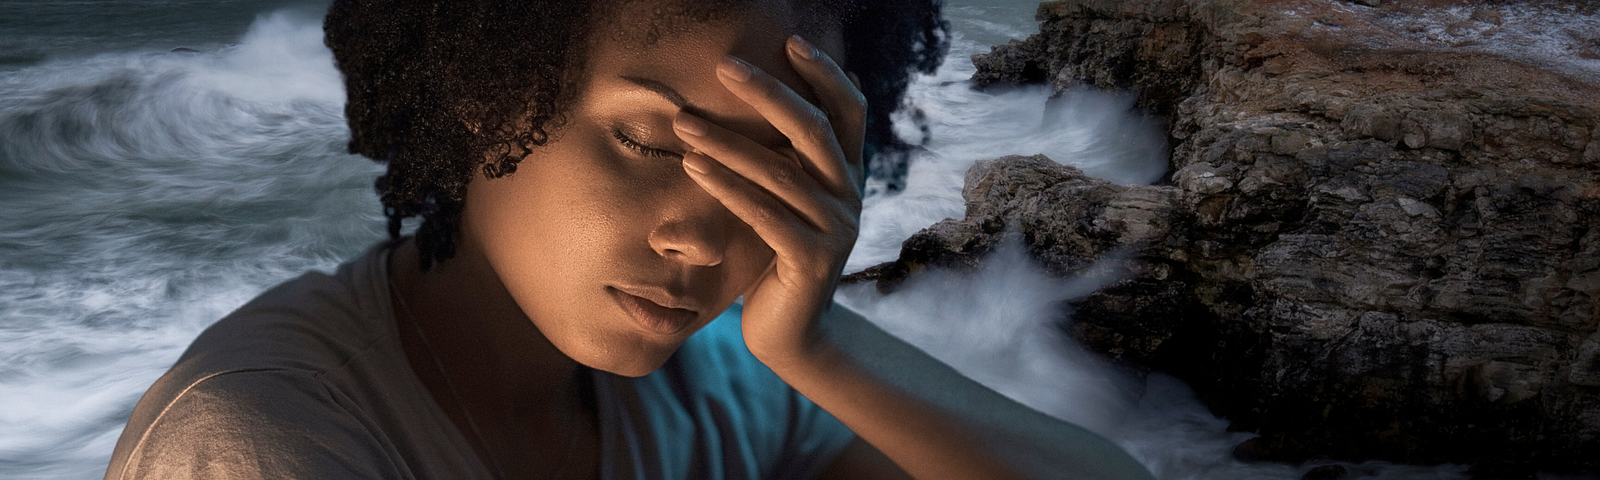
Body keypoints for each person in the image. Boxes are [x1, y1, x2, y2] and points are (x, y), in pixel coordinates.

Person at [105, 0, 1157, 478]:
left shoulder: (727, 378)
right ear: (487, 91)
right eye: (652, 144)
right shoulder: (255, 448)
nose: (702, 240)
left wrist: (813, 347)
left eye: (773, 169)